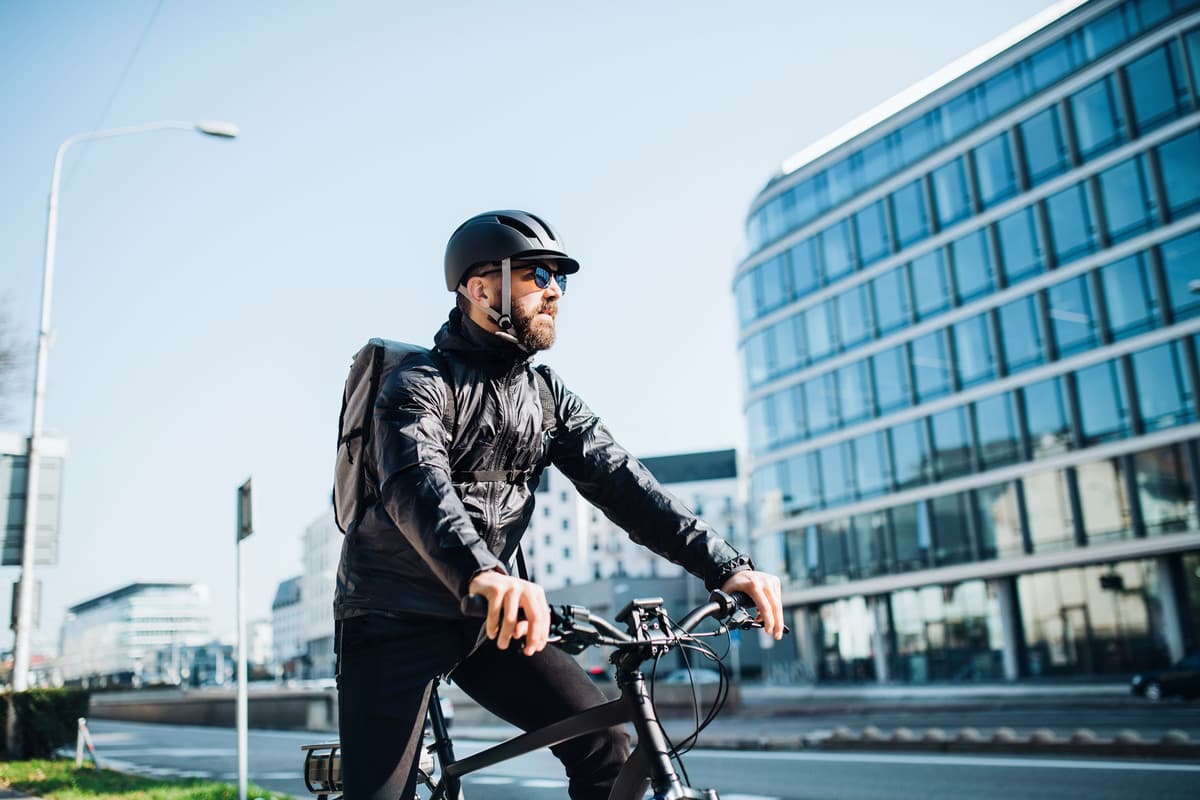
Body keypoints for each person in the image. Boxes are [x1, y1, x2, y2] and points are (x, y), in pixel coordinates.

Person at [334, 209, 785, 799]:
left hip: (486, 621)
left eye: (560, 278)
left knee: (606, 744)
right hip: (392, 613)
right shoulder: (418, 384)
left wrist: (727, 566)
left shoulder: (546, 397)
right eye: (536, 274)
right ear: (478, 288)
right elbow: (416, 487)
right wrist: (486, 575)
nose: (554, 291)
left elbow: (626, 485)